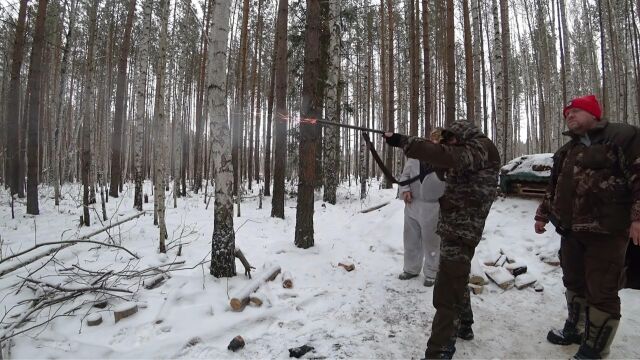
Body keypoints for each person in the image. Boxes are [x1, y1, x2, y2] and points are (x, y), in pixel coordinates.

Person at [534, 94, 640, 359]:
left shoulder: (622, 137)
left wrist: (638, 217)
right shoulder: (566, 151)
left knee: (602, 289)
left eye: (576, 111)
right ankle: (575, 328)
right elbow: (555, 187)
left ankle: (596, 348)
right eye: (567, 113)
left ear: (594, 113)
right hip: (570, 231)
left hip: (606, 232)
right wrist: (542, 215)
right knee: (573, 281)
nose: (569, 116)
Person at [384, 120, 500, 359]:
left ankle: (439, 350)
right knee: (454, 275)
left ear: (462, 135)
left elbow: (449, 157)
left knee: (447, 289)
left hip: (465, 227)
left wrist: (403, 141)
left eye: (450, 138)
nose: (448, 143)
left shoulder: (480, 147)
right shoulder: (463, 152)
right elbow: (442, 167)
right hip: (452, 224)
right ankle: (465, 325)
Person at [397, 129, 446, 287]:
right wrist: (405, 191)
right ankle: (411, 269)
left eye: (438, 140)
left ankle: (432, 272)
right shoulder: (415, 156)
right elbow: (404, 176)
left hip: (433, 206)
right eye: (433, 139)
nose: (435, 142)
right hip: (412, 204)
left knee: (432, 241)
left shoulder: (446, 159)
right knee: (410, 239)